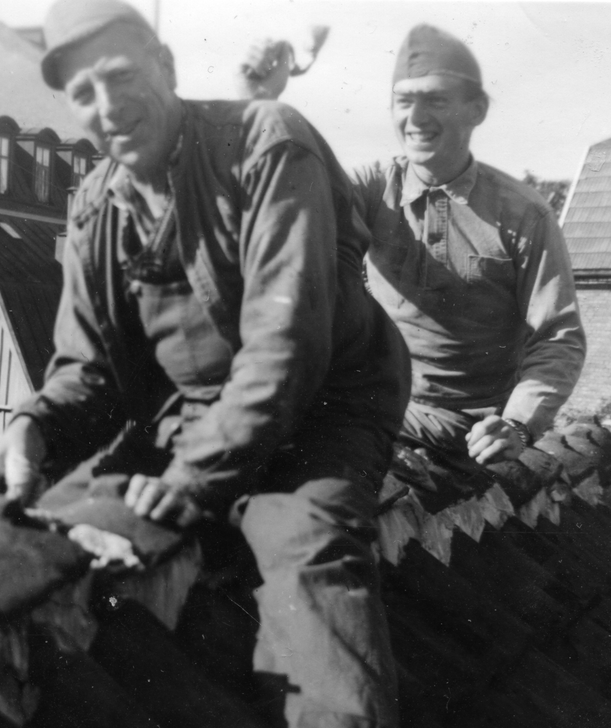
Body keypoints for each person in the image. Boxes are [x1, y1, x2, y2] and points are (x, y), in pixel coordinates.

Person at [0, 1, 417, 728]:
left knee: (304, 542)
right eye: (83, 94)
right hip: (192, 417)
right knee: (60, 537)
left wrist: (195, 478)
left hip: (327, 404)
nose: (108, 107)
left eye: (121, 76)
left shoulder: (266, 142)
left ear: (167, 69)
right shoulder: (96, 204)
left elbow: (288, 342)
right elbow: (87, 367)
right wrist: (33, 424)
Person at [241, 24, 587, 465]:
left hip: (468, 425)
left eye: (436, 100)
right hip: (379, 397)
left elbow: (558, 335)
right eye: (404, 101)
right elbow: (284, 211)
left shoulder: (524, 214)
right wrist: (259, 102)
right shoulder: (373, 187)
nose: (417, 119)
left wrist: (518, 423)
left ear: (477, 110)